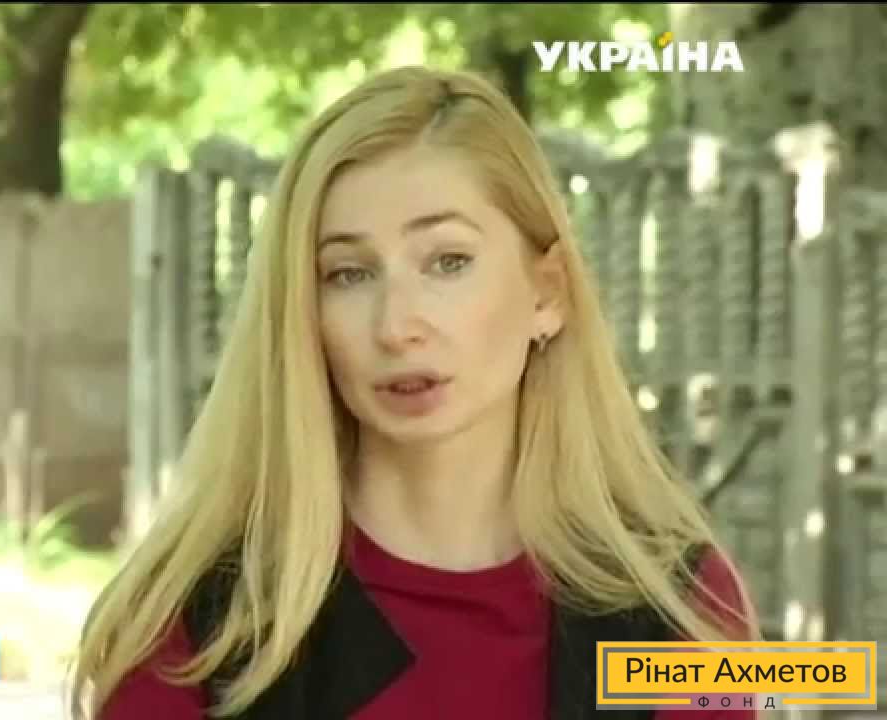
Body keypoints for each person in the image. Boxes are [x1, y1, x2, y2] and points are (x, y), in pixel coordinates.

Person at [70, 66, 760, 720]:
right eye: (348, 274)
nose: (397, 326)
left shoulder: (683, 608)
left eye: (448, 261)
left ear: (547, 292)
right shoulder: (199, 628)